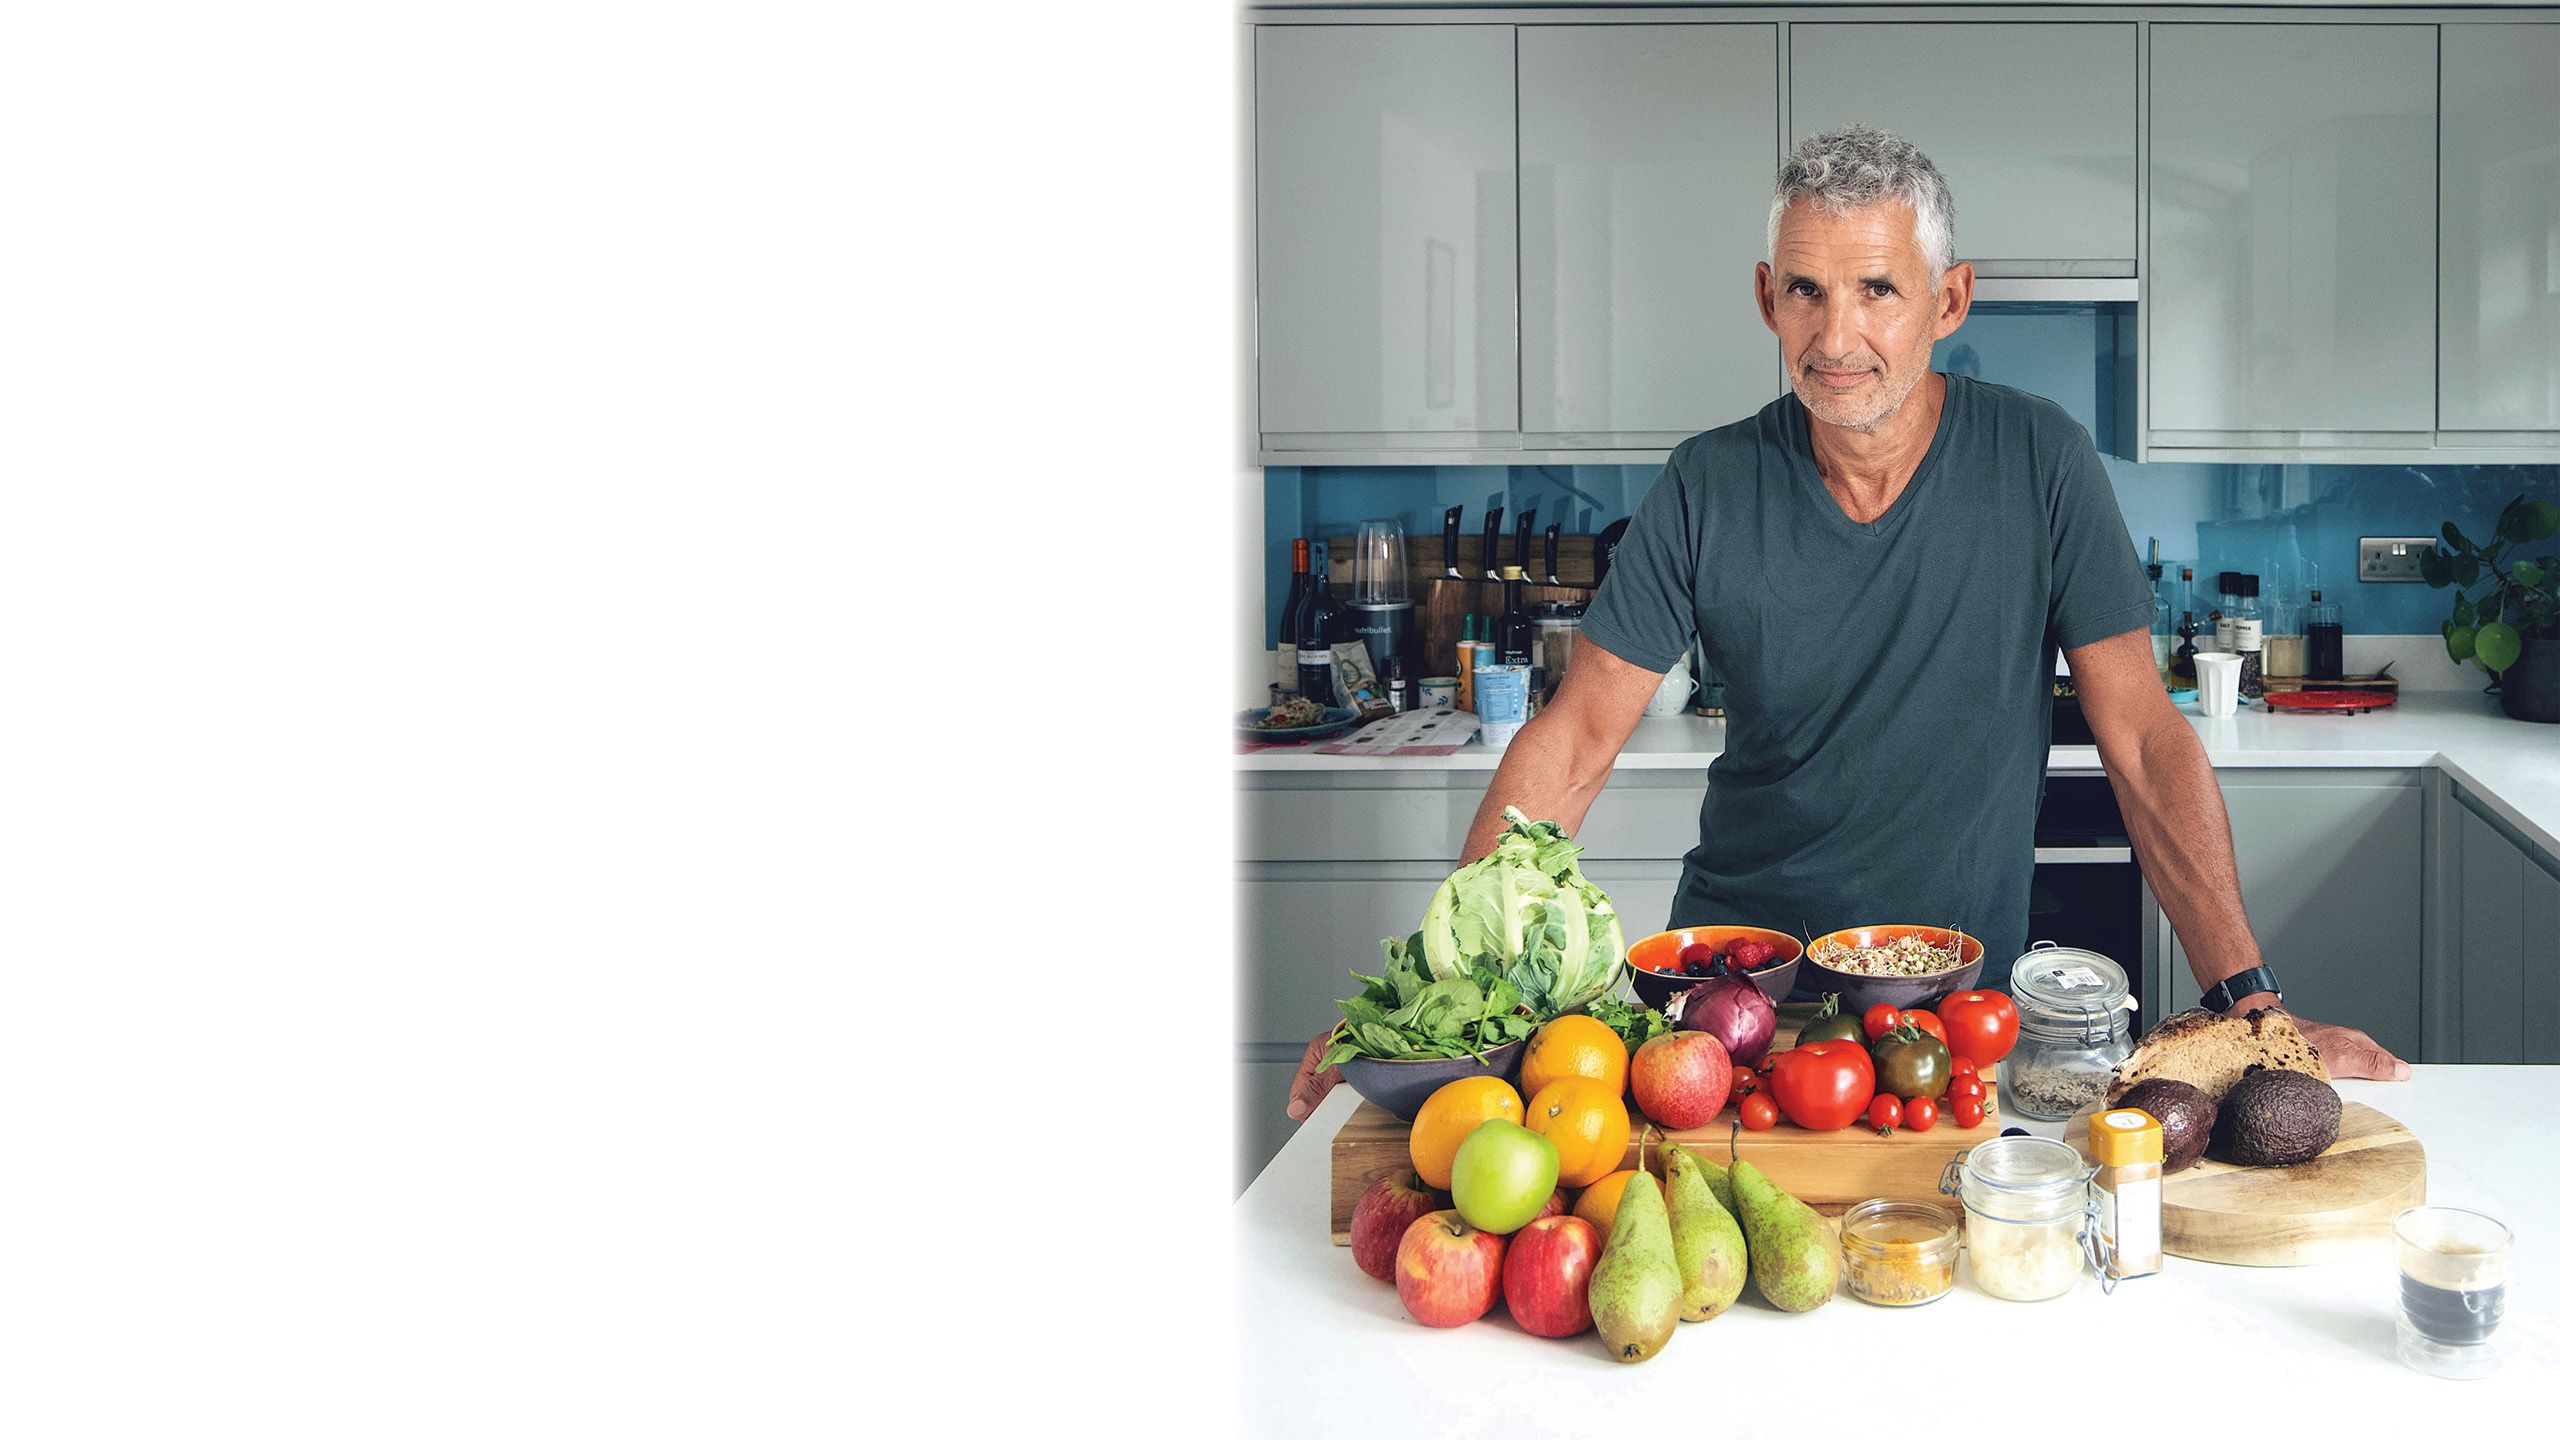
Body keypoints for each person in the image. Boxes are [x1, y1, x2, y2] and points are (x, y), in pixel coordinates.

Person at [1288, 126, 2409, 1122]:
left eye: (1877, 289)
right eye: (1807, 291)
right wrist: (1438, 1001)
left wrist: (2251, 1006)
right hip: (1729, 1004)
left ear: (1949, 302)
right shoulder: (1706, 484)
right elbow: (1574, 740)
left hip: (1949, 1017)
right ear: (1766, 299)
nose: (1836, 336)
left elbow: (2146, 744)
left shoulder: (2042, 461)